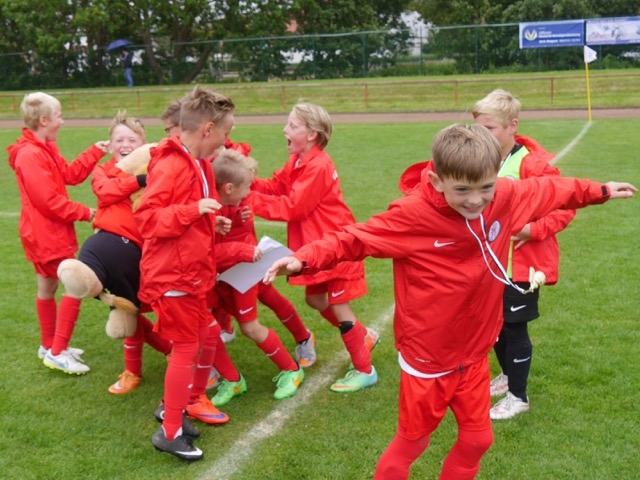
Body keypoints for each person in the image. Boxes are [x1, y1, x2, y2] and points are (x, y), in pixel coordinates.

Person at [264, 123, 636, 480]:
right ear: (436, 180)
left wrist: (601, 190)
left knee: (478, 440)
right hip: (429, 358)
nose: (475, 200)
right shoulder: (413, 215)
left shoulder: (503, 196)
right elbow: (354, 239)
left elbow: (551, 190)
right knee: (413, 443)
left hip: (474, 352)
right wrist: (303, 258)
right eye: (462, 190)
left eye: (485, 187)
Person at [248, 102, 379, 393]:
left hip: (337, 246)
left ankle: (365, 370)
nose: (284, 129)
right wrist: (245, 182)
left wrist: (248, 200)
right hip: (318, 248)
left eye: (292, 125)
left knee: (339, 306)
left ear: (312, 134)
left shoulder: (318, 165)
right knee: (316, 300)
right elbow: (277, 187)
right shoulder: (297, 159)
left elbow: (292, 207)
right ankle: (364, 336)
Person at [135, 85, 235, 461]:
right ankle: (170, 431)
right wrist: (194, 211)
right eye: (226, 132)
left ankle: (174, 409)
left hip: (190, 272)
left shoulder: (200, 163)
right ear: (207, 129)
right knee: (187, 348)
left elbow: (188, 214)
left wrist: (211, 222)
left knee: (206, 335)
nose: (228, 139)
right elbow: (147, 219)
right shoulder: (172, 163)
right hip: (172, 275)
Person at [471, 88, 577, 419]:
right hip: (489, 262)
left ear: (512, 126)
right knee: (494, 324)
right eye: (477, 128)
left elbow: (565, 205)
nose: (481, 135)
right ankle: (506, 375)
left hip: (521, 266)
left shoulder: (531, 164)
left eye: (489, 128)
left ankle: (518, 397)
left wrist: (534, 229)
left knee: (514, 327)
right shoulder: (481, 160)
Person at [7, 92, 108, 374]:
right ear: (43, 120)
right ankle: (57, 351)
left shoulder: (44, 147)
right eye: (59, 116)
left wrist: (95, 151)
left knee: (48, 287)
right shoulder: (30, 154)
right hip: (46, 235)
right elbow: (49, 202)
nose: (62, 122)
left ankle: (48, 345)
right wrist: (87, 213)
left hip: (45, 233)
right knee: (74, 286)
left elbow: (70, 175)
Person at [83, 110, 172, 394]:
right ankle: (133, 370)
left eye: (132, 140)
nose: (125, 145)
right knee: (125, 308)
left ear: (143, 144)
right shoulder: (103, 170)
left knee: (163, 307)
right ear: (110, 145)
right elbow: (105, 192)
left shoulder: (155, 167)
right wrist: (137, 181)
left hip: (150, 251)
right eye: (119, 140)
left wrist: (145, 177)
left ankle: (181, 351)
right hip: (116, 254)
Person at [211, 148, 309, 404]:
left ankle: (291, 369)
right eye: (246, 188)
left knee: (250, 326)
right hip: (226, 273)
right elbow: (208, 249)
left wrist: (240, 229)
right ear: (229, 188)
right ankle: (230, 379)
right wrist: (238, 236)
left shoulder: (231, 202)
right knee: (207, 327)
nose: (249, 194)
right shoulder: (212, 206)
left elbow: (221, 244)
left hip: (242, 273)